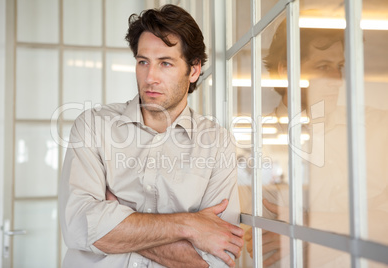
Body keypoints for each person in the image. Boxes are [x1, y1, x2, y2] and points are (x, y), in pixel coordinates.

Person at [59, 4, 243, 268]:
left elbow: (213, 260)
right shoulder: (93, 127)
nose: (150, 77)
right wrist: (189, 225)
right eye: (143, 62)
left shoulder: (216, 144)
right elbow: (79, 227)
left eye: (165, 63)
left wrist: (121, 221)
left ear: (193, 70)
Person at [243, 18, 388, 268]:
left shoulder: (378, 127)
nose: (337, 79)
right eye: (323, 66)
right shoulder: (253, 144)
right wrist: (361, 226)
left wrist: (312, 227)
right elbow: (260, 246)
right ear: (286, 71)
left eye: (340, 66)